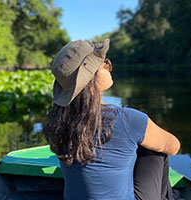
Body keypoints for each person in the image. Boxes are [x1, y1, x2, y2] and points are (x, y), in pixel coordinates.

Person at [43, 39, 181, 200]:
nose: (109, 68)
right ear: (90, 81)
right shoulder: (127, 119)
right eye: (104, 64)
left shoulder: (60, 122)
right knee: (155, 149)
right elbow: (173, 146)